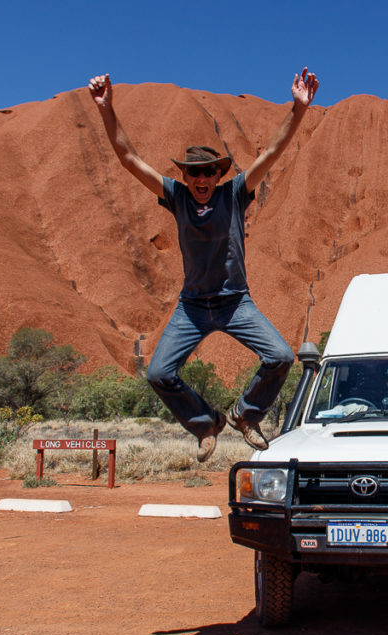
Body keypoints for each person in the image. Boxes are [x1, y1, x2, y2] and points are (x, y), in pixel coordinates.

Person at [87, 68, 319, 460]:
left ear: (218, 173)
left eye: (208, 172)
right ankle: (207, 423)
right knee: (159, 374)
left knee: (280, 356)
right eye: (194, 172)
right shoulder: (176, 196)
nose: (201, 178)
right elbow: (128, 158)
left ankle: (246, 415)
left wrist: (297, 110)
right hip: (192, 307)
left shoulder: (234, 193)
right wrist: (106, 109)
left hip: (234, 303)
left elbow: (273, 152)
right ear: (185, 175)